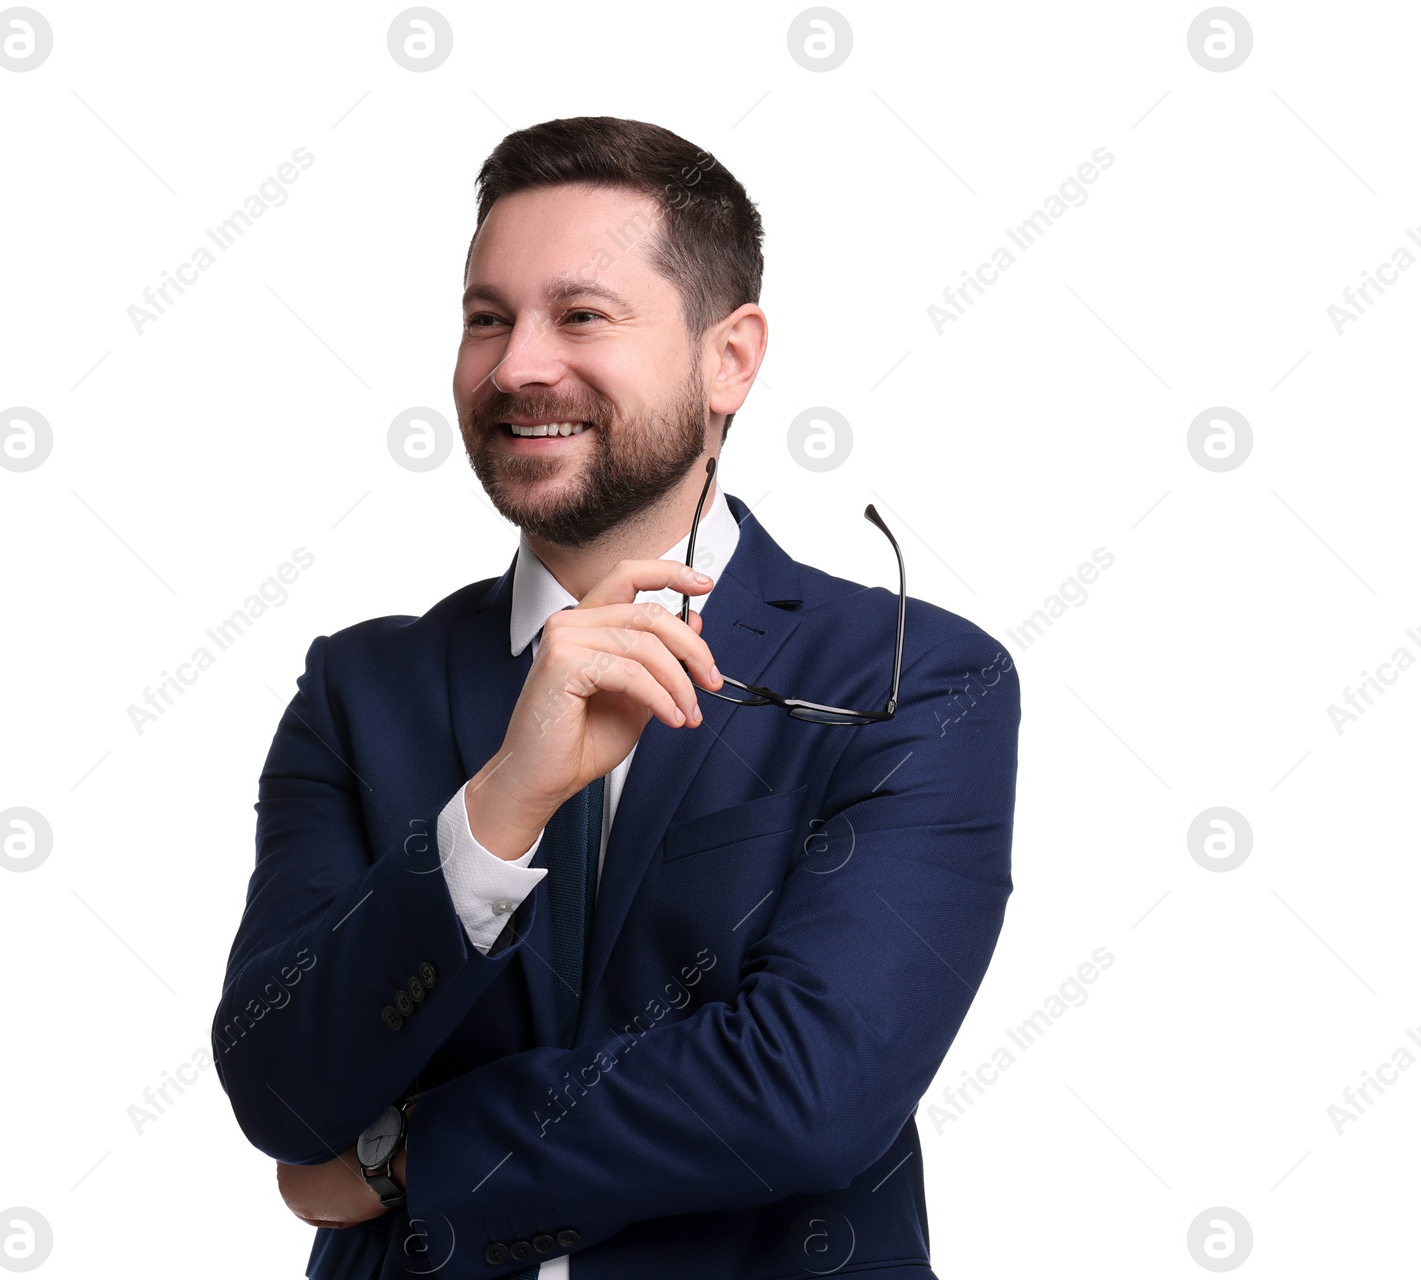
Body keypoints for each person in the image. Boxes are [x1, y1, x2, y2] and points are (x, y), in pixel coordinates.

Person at [211, 115, 1021, 1280]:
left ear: (728, 358)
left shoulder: (912, 677)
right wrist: (496, 809)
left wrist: (405, 1155)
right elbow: (282, 1086)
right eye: (486, 318)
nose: (517, 365)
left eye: (579, 316)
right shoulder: (359, 685)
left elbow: (809, 1090)